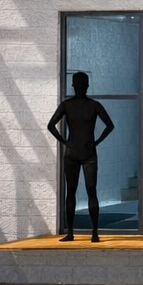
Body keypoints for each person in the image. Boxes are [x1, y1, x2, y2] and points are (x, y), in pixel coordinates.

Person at [47, 71, 115, 242]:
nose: (81, 87)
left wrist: (67, 142)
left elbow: (110, 125)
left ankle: (91, 232)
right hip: (78, 153)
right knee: (75, 192)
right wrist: (66, 142)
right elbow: (50, 125)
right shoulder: (74, 105)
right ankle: (75, 232)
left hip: (82, 152)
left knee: (86, 191)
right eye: (79, 84)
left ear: (86, 86)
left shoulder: (91, 105)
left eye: (82, 84)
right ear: (75, 85)